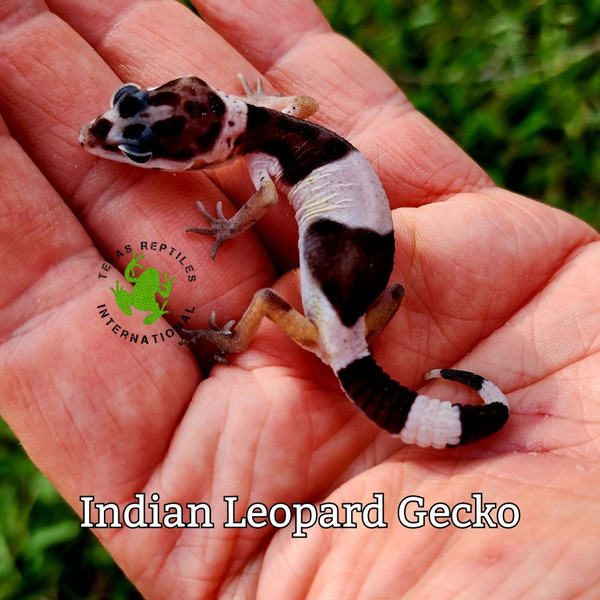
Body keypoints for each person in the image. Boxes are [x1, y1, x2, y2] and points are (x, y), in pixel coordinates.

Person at [0, 0, 598, 598]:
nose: (108, 132)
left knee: (269, 294)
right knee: (331, 301)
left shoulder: (261, 156)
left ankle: (238, 340)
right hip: (360, 284)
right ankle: (385, 344)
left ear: (202, 147)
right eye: (129, 109)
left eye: (135, 148)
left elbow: (262, 202)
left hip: (339, 322)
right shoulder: (274, 123)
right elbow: (303, 108)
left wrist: (230, 230)